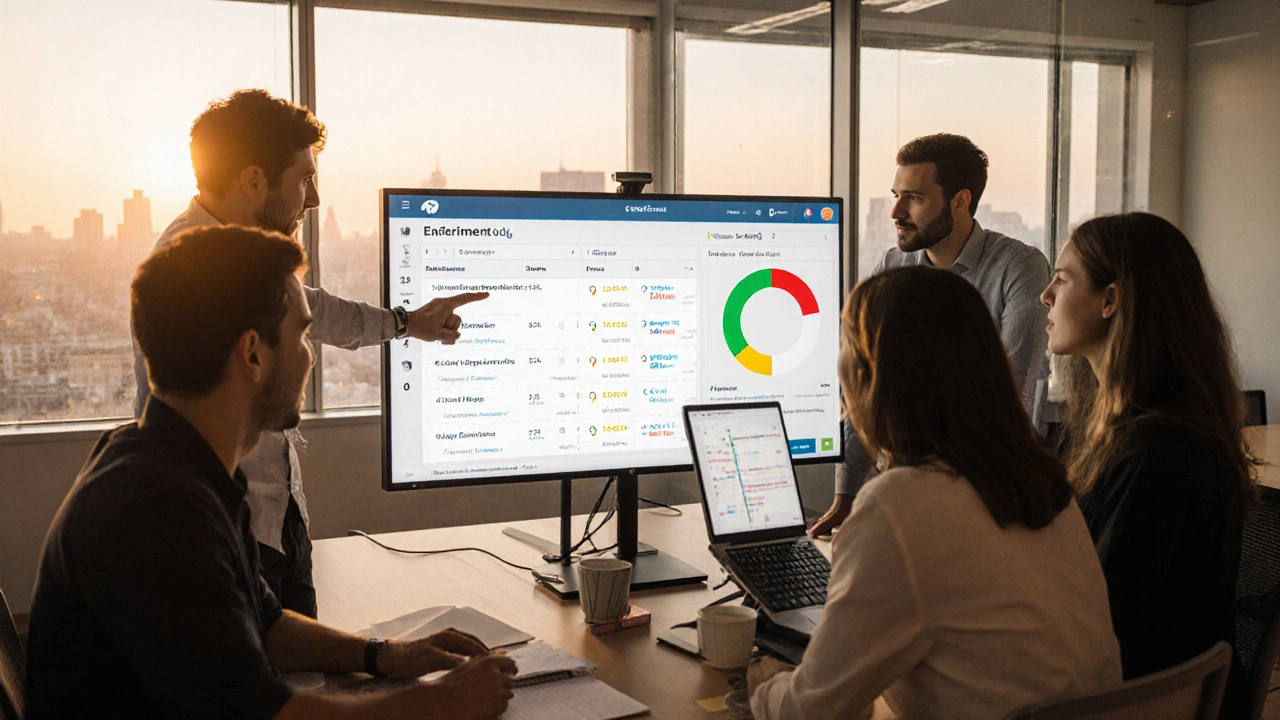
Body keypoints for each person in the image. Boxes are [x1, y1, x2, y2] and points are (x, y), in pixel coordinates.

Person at [26, 226, 515, 719]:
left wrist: (385, 654)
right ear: (253, 354)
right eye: (303, 335)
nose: (311, 355)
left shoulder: (175, 465)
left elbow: (266, 625)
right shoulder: (158, 513)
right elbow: (262, 714)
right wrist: (441, 702)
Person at [130, 89, 486, 618]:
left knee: (306, 678)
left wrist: (408, 323)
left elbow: (316, 309)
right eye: (303, 179)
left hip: (276, 517)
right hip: (230, 528)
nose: (313, 199)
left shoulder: (241, 259)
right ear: (253, 181)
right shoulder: (189, 269)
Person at [748, 266, 1120, 720]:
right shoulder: (1042, 482)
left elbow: (816, 712)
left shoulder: (900, 506)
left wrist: (767, 686)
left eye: (845, 343)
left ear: (873, 372)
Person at [1041, 212, 1258, 680]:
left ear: (1111, 300)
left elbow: (1105, 621)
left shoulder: (1161, 448)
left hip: (1136, 703)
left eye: (1061, 279)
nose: (1046, 296)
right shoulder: (1127, 429)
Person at [809, 133, 1051, 538]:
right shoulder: (892, 265)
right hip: (898, 488)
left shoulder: (1019, 268)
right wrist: (846, 496)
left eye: (914, 198)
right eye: (895, 195)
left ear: (960, 200)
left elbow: (1013, 396)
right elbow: (862, 386)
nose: (896, 212)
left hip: (987, 495)